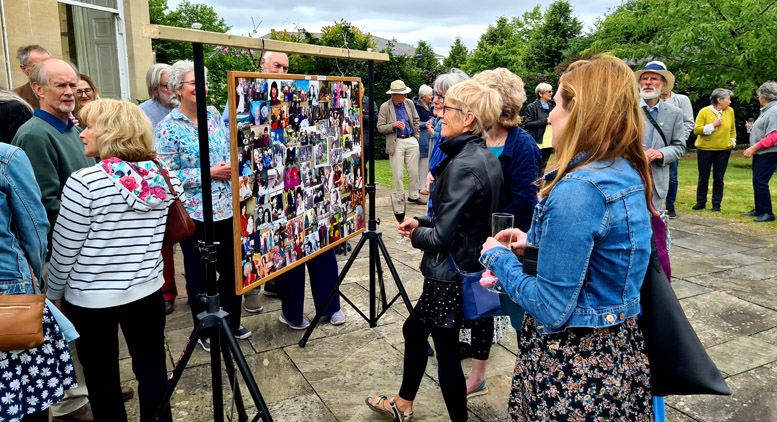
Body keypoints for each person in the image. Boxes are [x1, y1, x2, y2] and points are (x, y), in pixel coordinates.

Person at [479, 55, 654, 421]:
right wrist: (534, 246)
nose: (551, 116)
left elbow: (550, 307)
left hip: (574, 370)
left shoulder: (580, 188)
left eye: (557, 104)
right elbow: (601, 261)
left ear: (579, 111)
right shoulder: (620, 169)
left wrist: (499, 257)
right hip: (613, 357)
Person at [366, 80, 504, 422]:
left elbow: (442, 237)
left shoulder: (462, 164)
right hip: (464, 268)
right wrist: (421, 221)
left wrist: (416, 234)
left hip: (450, 275)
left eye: (447, 109)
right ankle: (403, 403)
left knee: (445, 354)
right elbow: (462, 221)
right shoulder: (484, 156)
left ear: (469, 118)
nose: (438, 114)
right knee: (414, 331)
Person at [47, 99, 177, 422]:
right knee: (152, 370)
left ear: (111, 132)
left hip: (92, 300)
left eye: (89, 126)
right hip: (147, 291)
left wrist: (54, 295)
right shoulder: (162, 173)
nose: (81, 133)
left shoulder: (85, 183)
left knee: (102, 379)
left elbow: (64, 249)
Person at [11, 58, 112, 422]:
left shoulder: (71, 127)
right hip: (63, 248)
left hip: (85, 245)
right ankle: (72, 403)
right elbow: (45, 204)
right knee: (66, 329)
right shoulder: (35, 134)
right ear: (38, 90)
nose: (70, 92)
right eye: (60, 86)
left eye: (73, 84)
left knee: (84, 333)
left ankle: (92, 388)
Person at [155, 60, 250, 352]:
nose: (202, 88)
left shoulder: (212, 115)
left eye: (204, 82)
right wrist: (207, 173)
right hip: (196, 214)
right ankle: (207, 330)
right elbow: (166, 176)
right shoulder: (167, 129)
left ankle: (231, 322)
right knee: (200, 274)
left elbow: (226, 150)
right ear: (177, 89)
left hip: (227, 209)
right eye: (194, 83)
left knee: (233, 270)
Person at [462, 68, 541, 398]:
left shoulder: (523, 145)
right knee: (481, 308)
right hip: (479, 242)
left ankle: (533, 381)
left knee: (520, 316)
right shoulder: (477, 140)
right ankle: (478, 375)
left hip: (510, 246)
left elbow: (524, 204)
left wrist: (491, 229)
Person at [0, 143, 77, 422]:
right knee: (28, 391)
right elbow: (34, 227)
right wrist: (31, 276)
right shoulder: (6, 157)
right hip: (9, 292)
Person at [139, 63, 181, 315]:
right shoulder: (143, 113)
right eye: (168, 85)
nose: (174, 90)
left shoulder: (189, 110)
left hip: (187, 183)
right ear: (156, 89)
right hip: (157, 183)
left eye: (177, 84)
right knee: (163, 241)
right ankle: (167, 292)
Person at [635, 61, 686, 211]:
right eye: (644, 79)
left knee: (654, 224)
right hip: (629, 176)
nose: (648, 82)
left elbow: (679, 146)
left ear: (663, 85)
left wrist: (660, 153)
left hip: (657, 180)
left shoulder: (674, 113)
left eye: (654, 79)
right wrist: (631, 149)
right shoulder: (625, 110)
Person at [425, 69, 471, 214]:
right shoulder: (444, 133)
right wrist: (431, 173)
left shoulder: (466, 144)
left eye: (440, 96)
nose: (434, 101)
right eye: (435, 95)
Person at [377, 79, 425, 205]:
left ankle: (414, 196)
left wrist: (416, 137)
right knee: (397, 173)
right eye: (403, 93)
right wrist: (393, 125)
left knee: (413, 171)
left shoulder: (409, 103)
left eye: (405, 93)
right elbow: (380, 127)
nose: (406, 95)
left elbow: (416, 120)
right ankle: (400, 198)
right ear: (394, 94)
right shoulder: (385, 107)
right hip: (396, 141)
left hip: (411, 139)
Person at [691, 88, 736, 212]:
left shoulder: (730, 111)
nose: (730, 102)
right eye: (728, 99)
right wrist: (713, 125)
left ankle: (716, 204)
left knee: (719, 178)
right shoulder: (704, 111)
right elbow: (697, 130)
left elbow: (732, 129)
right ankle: (701, 202)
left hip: (724, 150)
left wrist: (732, 141)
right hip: (705, 149)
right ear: (719, 100)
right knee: (703, 176)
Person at [742, 81, 777, 222]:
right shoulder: (768, 110)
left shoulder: (774, 111)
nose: (758, 98)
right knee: (757, 181)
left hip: (769, 153)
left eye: (759, 96)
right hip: (762, 153)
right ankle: (759, 209)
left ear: (765, 97)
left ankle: (768, 212)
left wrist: (753, 148)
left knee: (760, 181)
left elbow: (773, 136)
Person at [660, 78, 695, 219]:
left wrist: (679, 139)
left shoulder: (681, 100)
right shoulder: (646, 100)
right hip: (652, 146)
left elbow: (688, 122)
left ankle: (670, 206)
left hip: (671, 146)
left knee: (672, 177)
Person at [523, 82, 555, 171]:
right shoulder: (532, 107)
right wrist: (545, 120)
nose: (551, 93)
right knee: (535, 169)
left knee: (543, 170)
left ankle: (541, 185)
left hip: (549, 143)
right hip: (538, 143)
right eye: (549, 91)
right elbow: (528, 124)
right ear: (540, 94)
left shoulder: (552, 107)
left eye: (552, 91)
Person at [13, 44, 50, 108]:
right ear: (24, 69)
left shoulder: (67, 90)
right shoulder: (15, 98)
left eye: (49, 65)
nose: (46, 70)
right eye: (38, 67)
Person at [414, 84, 434, 195]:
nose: (432, 97)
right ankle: (421, 187)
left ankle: (425, 185)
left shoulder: (431, 105)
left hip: (429, 136)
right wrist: (425, 124)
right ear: (423, 97)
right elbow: (413, 122)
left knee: (427, 162)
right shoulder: (415, 106)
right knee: (421, 162)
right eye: (430, 95)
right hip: (421, 137)